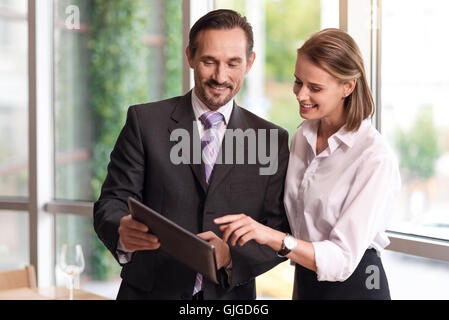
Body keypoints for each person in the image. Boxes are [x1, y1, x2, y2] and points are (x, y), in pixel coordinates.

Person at [93, 9, 290, 300]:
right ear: (189, 57)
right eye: (209, 61)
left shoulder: (271, 140)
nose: (220, 76)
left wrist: (230, 256)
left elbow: (279, 232)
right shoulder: (144, 122)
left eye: (233, 63)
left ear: (249, 63)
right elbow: (111, 203)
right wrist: (121, 229)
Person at [215, 28, 401, 300]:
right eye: (298, 82)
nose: (301, 95)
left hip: (356, 287)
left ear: (348, 87)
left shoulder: (374, 157)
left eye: (315, 88)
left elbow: (341, 259)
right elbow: (289, 218)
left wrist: (272, 238)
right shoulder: (303, 135)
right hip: (305, 282)